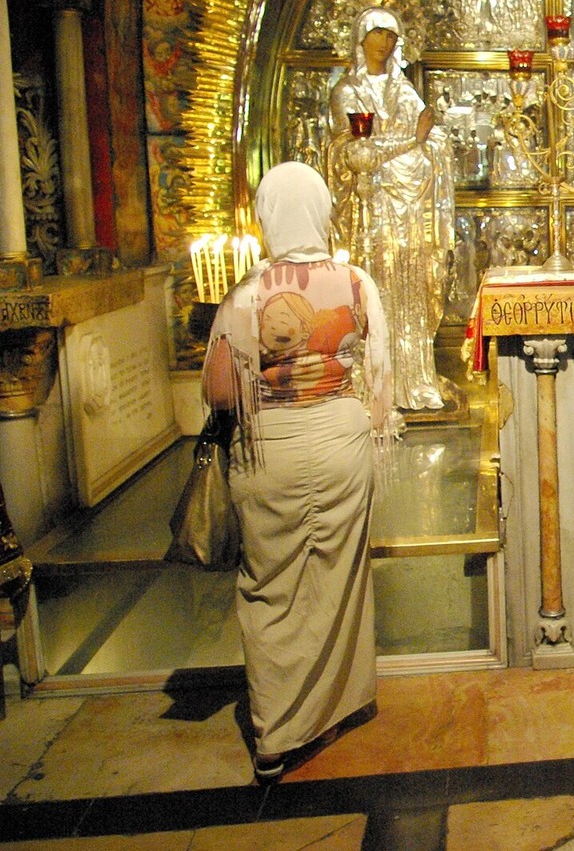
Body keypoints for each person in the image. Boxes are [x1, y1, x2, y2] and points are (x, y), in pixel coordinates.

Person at [201, 162, 394, 784]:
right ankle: (333, 709)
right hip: (341, 441)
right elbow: (383, 386)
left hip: (268, 450)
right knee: (338, 576)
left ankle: (275, 735)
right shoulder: (357, 282)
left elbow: (221, 394)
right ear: (322, 210)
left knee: (268, 582)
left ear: (265, 216)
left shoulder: (245, 295)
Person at [325, 4, 456, 413]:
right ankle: (373, 383)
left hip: (411, 216)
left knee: (413, 291)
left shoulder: (404, 91)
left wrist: (419, 146)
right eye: (379, 33)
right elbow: (352, 153)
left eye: (393, 36)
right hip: (370, 216)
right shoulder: (346, 92)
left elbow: (433, 141)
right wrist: (408, 145)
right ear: (361, 39)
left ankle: (415, 379)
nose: (387, 41)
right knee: (373, 292)